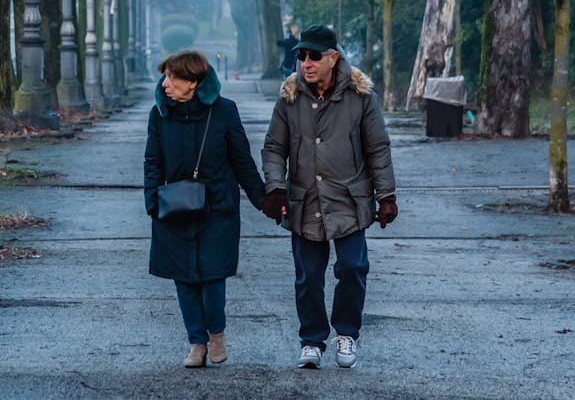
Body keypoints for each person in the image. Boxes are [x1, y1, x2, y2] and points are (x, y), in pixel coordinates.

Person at [260, 25, 398, 370]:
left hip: (349, 199)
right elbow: (274, 147)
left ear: (332, 58)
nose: (306, 63)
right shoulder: (289, 97)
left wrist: (387, 195)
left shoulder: (360, 96)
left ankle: (346, 332)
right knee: (307, 275)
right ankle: (311, 340)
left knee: (352, 268)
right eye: (301, 56)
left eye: (314, 56)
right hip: (304, 200)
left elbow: (377, 147)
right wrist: (275, 187)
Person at [144, 50, 266, 368]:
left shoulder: (225, 111)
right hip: (173, 207)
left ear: (193, 82)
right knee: (183, 279)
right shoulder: (160, 115)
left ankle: (217, 336)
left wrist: (265, 200)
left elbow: (242, 161)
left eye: (172, 77)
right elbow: (152, 161)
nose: (165, 83)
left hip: (218, 208)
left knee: (212, 277)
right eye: (165, 76)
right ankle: (196, 343)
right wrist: (151, 202)